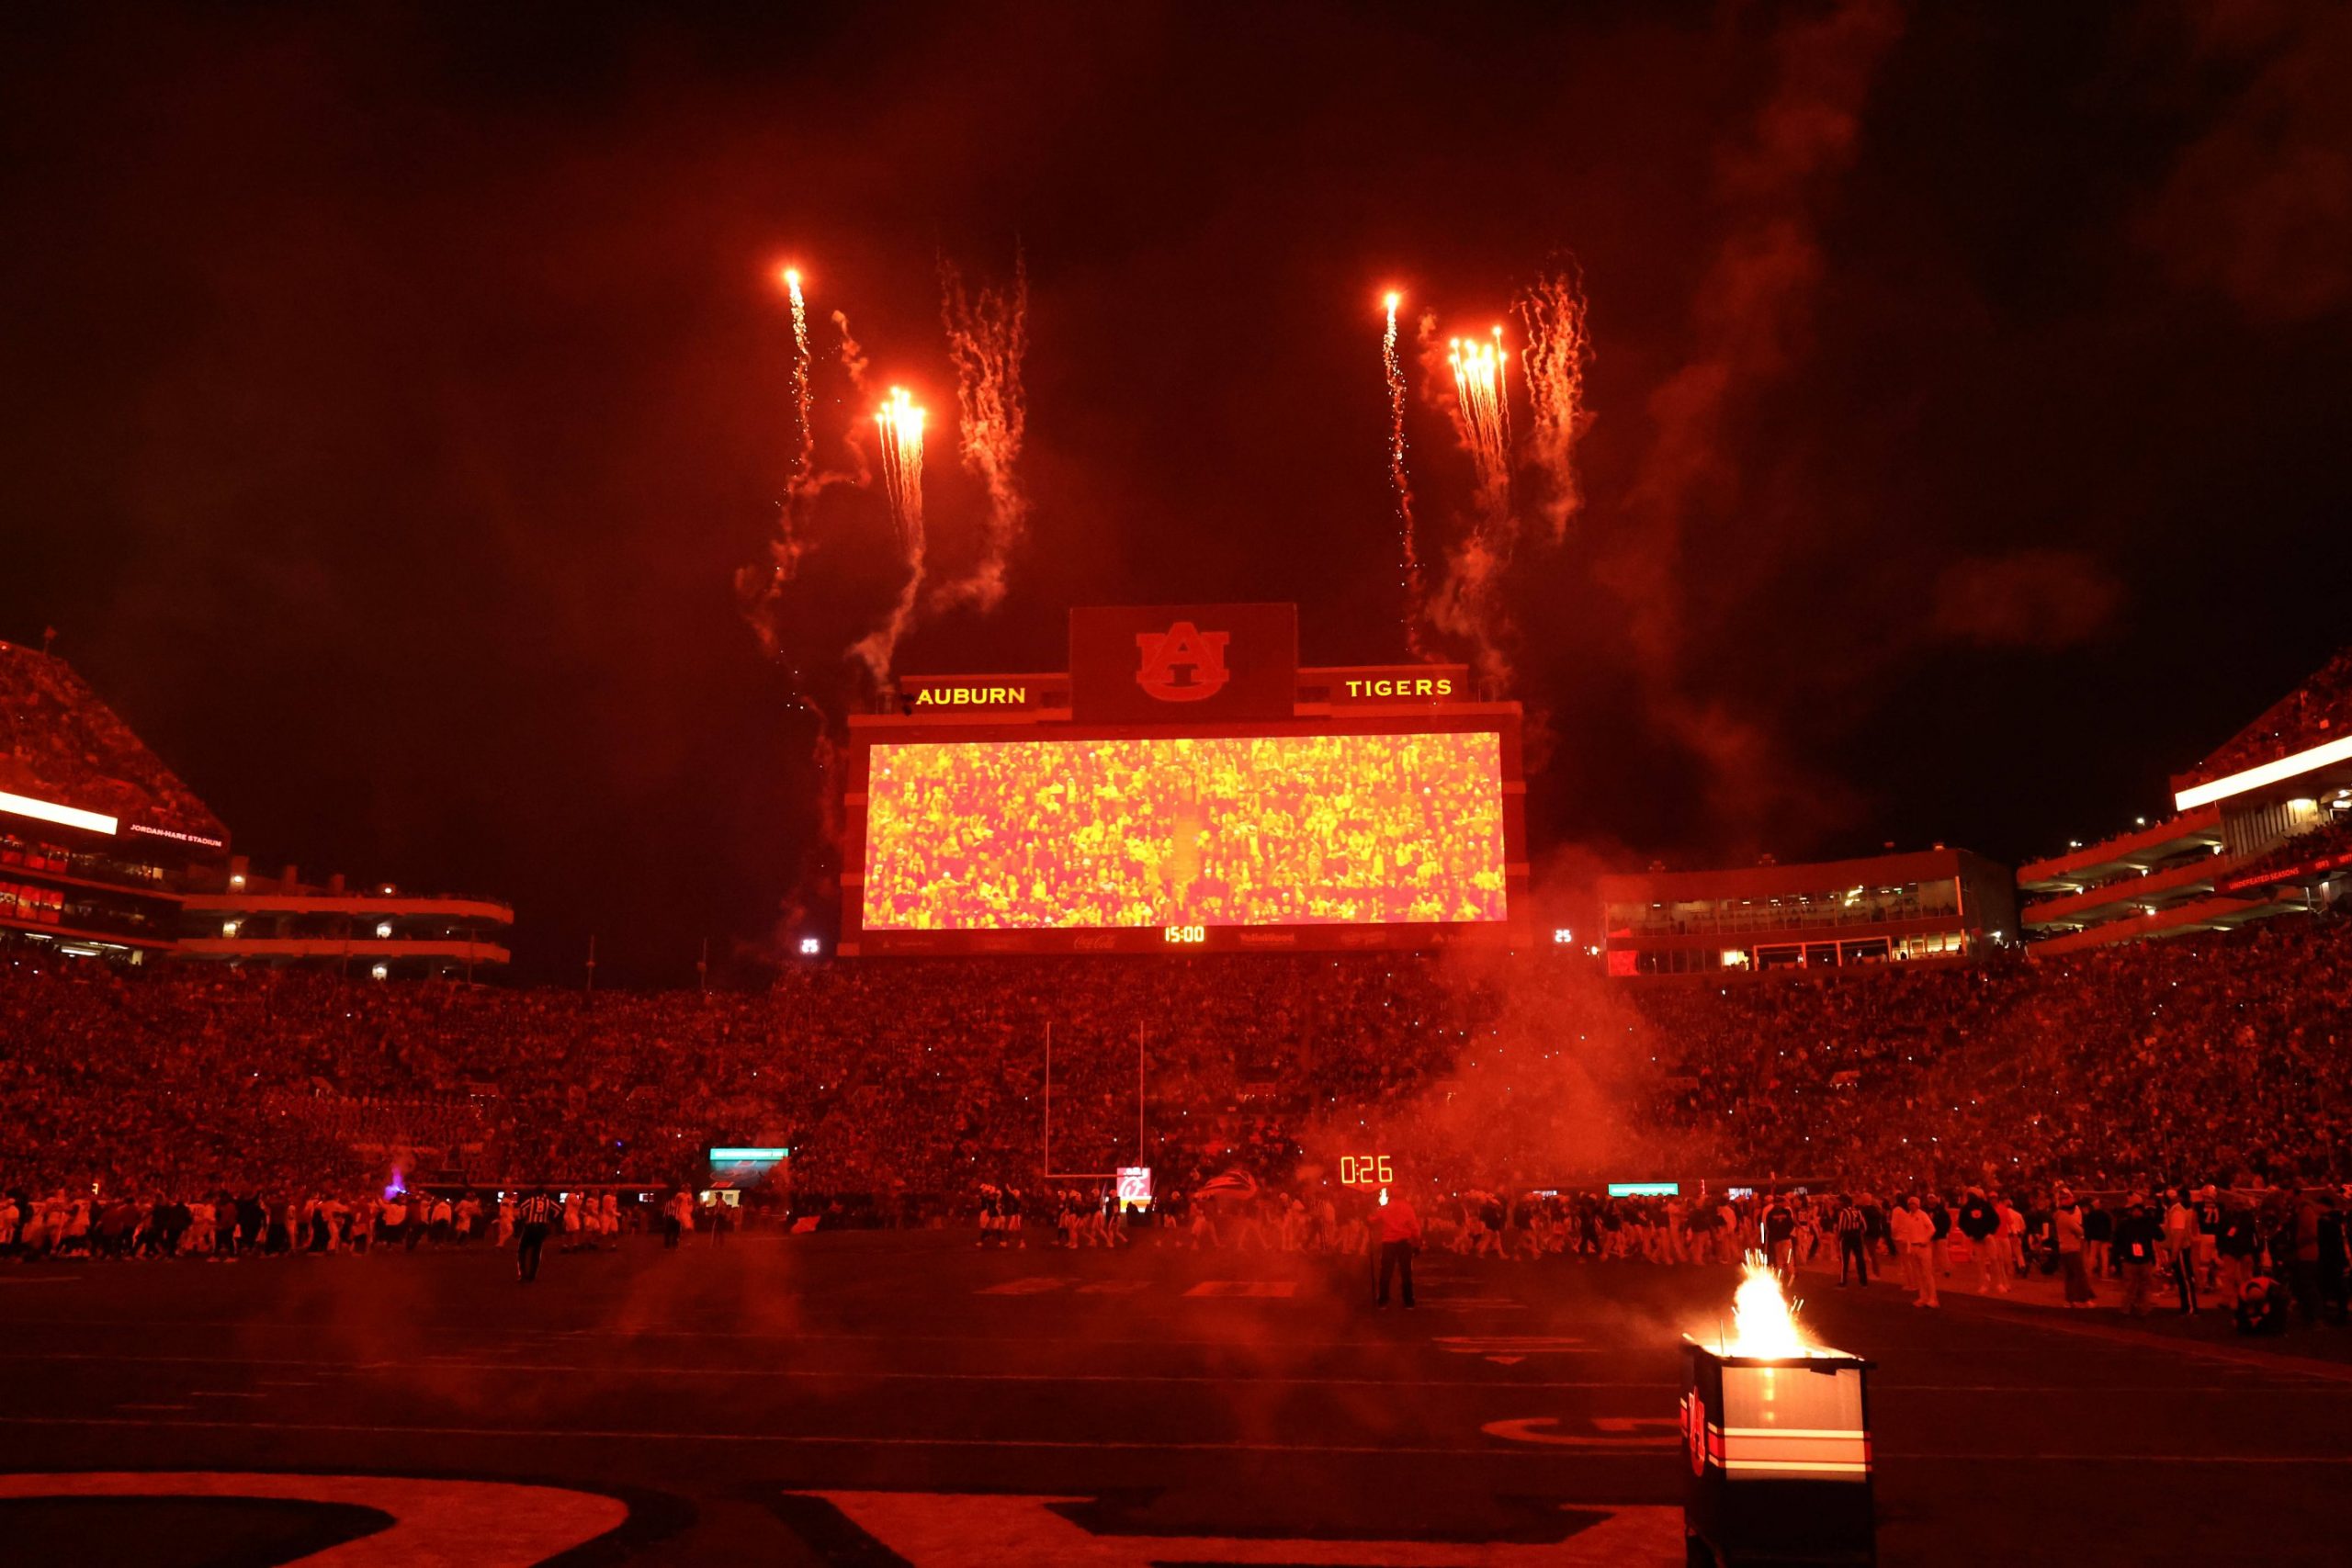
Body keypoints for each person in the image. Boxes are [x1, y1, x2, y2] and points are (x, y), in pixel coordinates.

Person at [2115, 1193, 2163, 1316]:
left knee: (2132, 1287)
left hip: (2133, 1259)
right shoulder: (2145, 1223)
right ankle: (2141, 1309)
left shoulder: (2126, 1224)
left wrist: (2117, 1258)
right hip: (2140, 1259)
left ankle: (2130, 1309)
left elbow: (2117, 1241)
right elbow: (2161, 1236)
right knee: (2142, 1287)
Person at [1374, 1190, 1422, 1309]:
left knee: (1386, 1272)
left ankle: (1383, 1301)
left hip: (1388, 1242)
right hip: (1403, 1242)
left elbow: (1373, 1219)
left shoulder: (1385, 1208)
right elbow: (1414, 1227)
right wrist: (1417, 1243)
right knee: (1406, 1272)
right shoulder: (1408, 1208)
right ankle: (1408, 1301)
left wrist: (1367, 1216)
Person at [1889, 1195, 1938, 1307]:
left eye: (1914, 1204)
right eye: (1910, 1204)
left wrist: (1925, 1240)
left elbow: (1932, 1229)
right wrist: (1909, 1248)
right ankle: (1923, 1297)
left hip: (1923, 1247)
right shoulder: (1909, 1217)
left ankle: (1933, 1298)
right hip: (1914, 1247)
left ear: (1918, 1205)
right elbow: (1908, 1234)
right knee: (1919, 1274)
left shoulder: (1922, 1215)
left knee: (1927, 1274)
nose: (1911, 1206)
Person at [2053, 1190, 2096, 1308]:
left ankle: (2069, 1300)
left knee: (2069, 1276)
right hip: (2072, 1248)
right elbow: (2080, 1231)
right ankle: (2085, 1299)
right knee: (2080, 1274)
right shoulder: (2067, 1217)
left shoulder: (2058, 1217)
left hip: (2063, 1248)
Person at [1957, 1188, 2003, 1294]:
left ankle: (1999, 1283)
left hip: (1987, 1237)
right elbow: (1962, 1223)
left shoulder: (1986, 1206)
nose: (1970, 1197)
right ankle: (1984, 1284)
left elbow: (1995, 1220)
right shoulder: (1966, 1208)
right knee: (1980, 1262)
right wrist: (1969, 1234)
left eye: (1972, 1195)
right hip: (1976, 1238)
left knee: (1994, 1259)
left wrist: (1990, 1232)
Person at [514, 1185, 560, 1284]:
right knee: (536, 1251)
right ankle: (532, 1275)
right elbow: (558, 1209)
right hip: (542, 1227)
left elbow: (522, 1207)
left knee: (522, 1250)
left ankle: (523, 1274)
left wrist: (522, 1218)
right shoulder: (548, 1201)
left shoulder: (531, 1200)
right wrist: (550, 1219)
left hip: (530, 1226)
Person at [1833, 1194, 1870, 1286]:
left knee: (1845, 1260)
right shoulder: (1857, 1211)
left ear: (1844, 1202)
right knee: (1860, 1258)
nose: (1837, 1203)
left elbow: (1841, 1227)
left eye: (1839, 1201)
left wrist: (1839, 1238)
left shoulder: (1844, 1212)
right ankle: (1863, 1280)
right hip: (1857, 1235)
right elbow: (1864, 1225)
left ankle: (1843, 1281)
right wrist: (1860, 1233)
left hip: (1847, 1236)